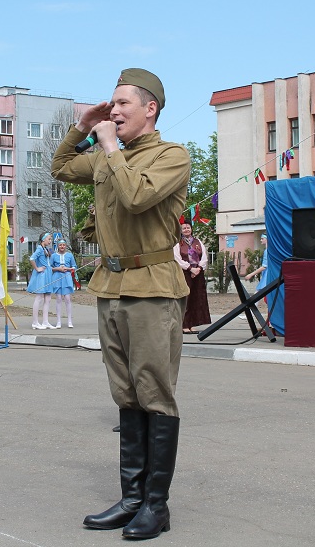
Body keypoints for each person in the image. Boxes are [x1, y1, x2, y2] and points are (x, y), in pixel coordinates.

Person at [52, 68, 190, 540]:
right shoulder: (114, 156)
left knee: (154, 392)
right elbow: (61, 167)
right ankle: (132, 498)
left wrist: (109, 146)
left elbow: (136, 198)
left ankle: (156, 505)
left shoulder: (172, 156)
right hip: (111, 285)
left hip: (153, 287)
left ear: (150, 108)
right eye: (110, 105)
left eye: (123, 104)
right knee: (126, 394)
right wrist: (82, 125)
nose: (114, 111)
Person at [173, 221, 211, 334]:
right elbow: (177, 259)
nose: (186, 230)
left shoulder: (197, 242)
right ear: (180, 230)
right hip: (184, 273)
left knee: (197, 298)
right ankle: (185, 324)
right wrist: (190, 268)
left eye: (188, 228)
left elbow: (204, 257)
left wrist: (198, 268)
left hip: (198, 274)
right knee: (186, 298)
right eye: (184, 228)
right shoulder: (178, 243)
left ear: (191, 229)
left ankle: (193, 324)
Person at [27, 232, 54, 330]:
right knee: (39, 297)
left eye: (50, 239)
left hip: (47, 274)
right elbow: (32, 258)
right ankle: (35, 322)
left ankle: (45, 321)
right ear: (43, 239)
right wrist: (37, 268)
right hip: (41, 275)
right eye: (49, 239)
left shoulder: (45, 249)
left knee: (48, 298)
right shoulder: (39, 248)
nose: (50, 241)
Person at [50, 239, 78, 328]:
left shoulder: (69, 255)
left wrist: (68, 269)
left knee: (67, 299)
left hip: (66, 277)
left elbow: (74, 266)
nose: (62, 246)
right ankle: (58, 321)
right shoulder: (54, 256)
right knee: (58, 299)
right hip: (57, 277)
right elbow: (50, 267)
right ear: (57, 246)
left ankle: (69, 320)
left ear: (66, 246)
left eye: (63, 245)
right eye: (60, 245)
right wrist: (58, 269)